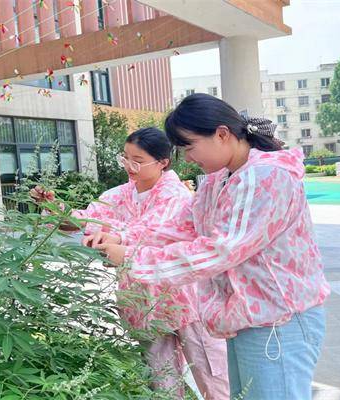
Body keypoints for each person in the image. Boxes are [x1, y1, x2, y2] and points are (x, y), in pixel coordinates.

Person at [95, 94, 330, 400]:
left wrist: (131, 257)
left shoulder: (265, 178)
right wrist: (124, 239)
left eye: (189, 146)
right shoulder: (221, 178)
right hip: (250, 317)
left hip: (278, 320)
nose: (188, 157)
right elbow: (185, 227)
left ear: (222, 134)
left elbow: (218, 251)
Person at [33, 127, 229, 399]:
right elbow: (83, 220)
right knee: (162, 384)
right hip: (142, 301)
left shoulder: (177, 196)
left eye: (137, 160)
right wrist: (55, 208)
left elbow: (154, 232)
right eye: (125, 158)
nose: (129, 166)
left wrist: (114, 237)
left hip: (186, 299)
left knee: (215, 380)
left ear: (163, 162)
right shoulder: (118, 195)